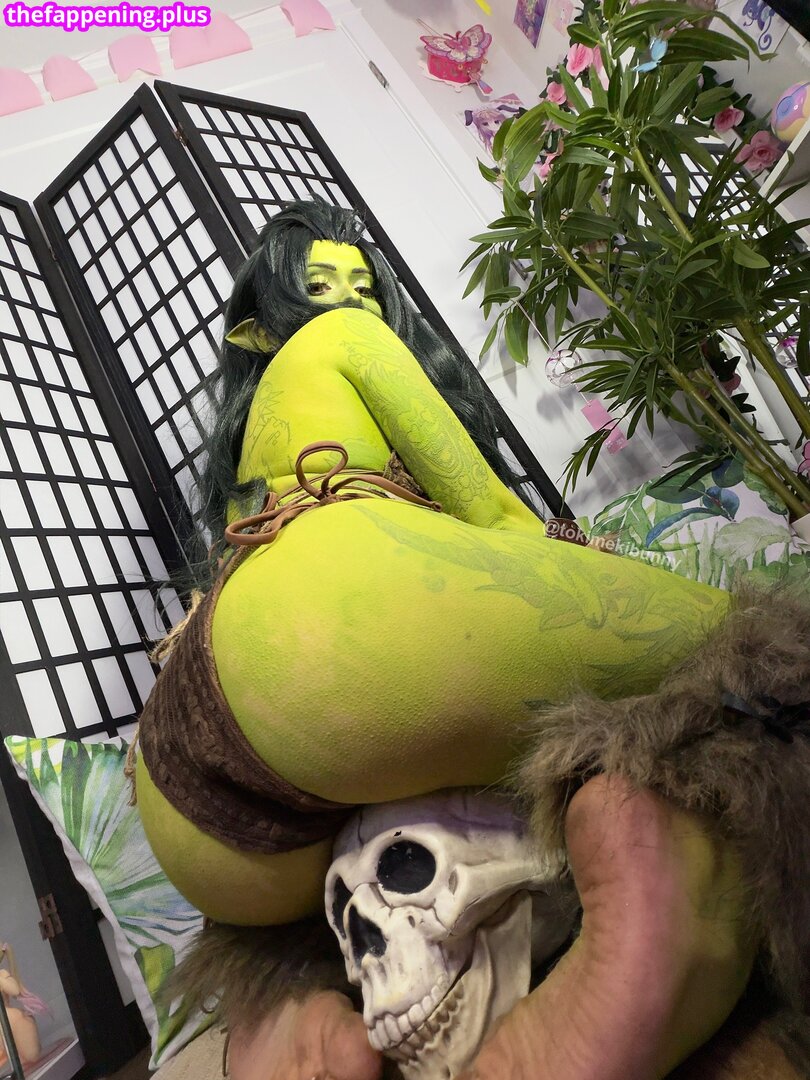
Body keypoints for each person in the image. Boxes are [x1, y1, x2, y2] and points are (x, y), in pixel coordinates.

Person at [135, 198, 793, 1079]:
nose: (351, 303)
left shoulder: (251, 455)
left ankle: (287, 1002)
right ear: (267, 324)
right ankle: (670, 898)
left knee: (353, 834)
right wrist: (575, 558)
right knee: (747, 647)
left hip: (189, 788)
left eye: (363, 289)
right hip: (325, 633)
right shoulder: (344, 342)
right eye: (323, 287)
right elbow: (488, 508)